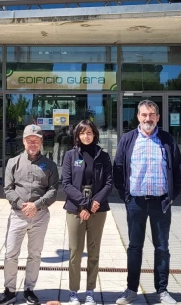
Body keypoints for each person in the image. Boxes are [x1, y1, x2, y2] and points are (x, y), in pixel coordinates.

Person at [113, 100, 181, 305]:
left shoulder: (167, 140)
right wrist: (126, 197)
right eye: (144, 115)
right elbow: (117, 170)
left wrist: (171, 197)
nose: (148, 119)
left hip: (160, 203)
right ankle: (131, 290)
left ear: (158, 117)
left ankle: (162, 291)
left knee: (162, 247)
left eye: (152, 115)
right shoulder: (128, 140)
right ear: (138, 116)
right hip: (135, 203)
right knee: (135, 247)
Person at [0, 124, 59, 305]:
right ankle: (9, 290)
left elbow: (53, 190)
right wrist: (23, 205)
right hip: (18, 215)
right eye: (29, 140)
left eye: (36, 140)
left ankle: (29, 289)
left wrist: (36, 205)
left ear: (41, 142)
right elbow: (8, 189)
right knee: (11, 253)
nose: (32, 143)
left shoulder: (50, 165)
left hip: (40, 216)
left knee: (35, 254)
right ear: (23, 141)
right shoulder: (12, 163)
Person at [61, 120, 113, 305]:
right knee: (75, 251)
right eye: (82, 133)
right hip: (75, 210)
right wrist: (84, 205)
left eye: (89, 132)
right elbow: (66, 183)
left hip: (98, 210)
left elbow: (108, 183)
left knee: (94, 251)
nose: (86, 136)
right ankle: (73, 292)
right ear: (77, 135)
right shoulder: (70, 155)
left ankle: (90, 291)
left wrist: (94, 204)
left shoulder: (103, 156)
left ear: (94, 134)